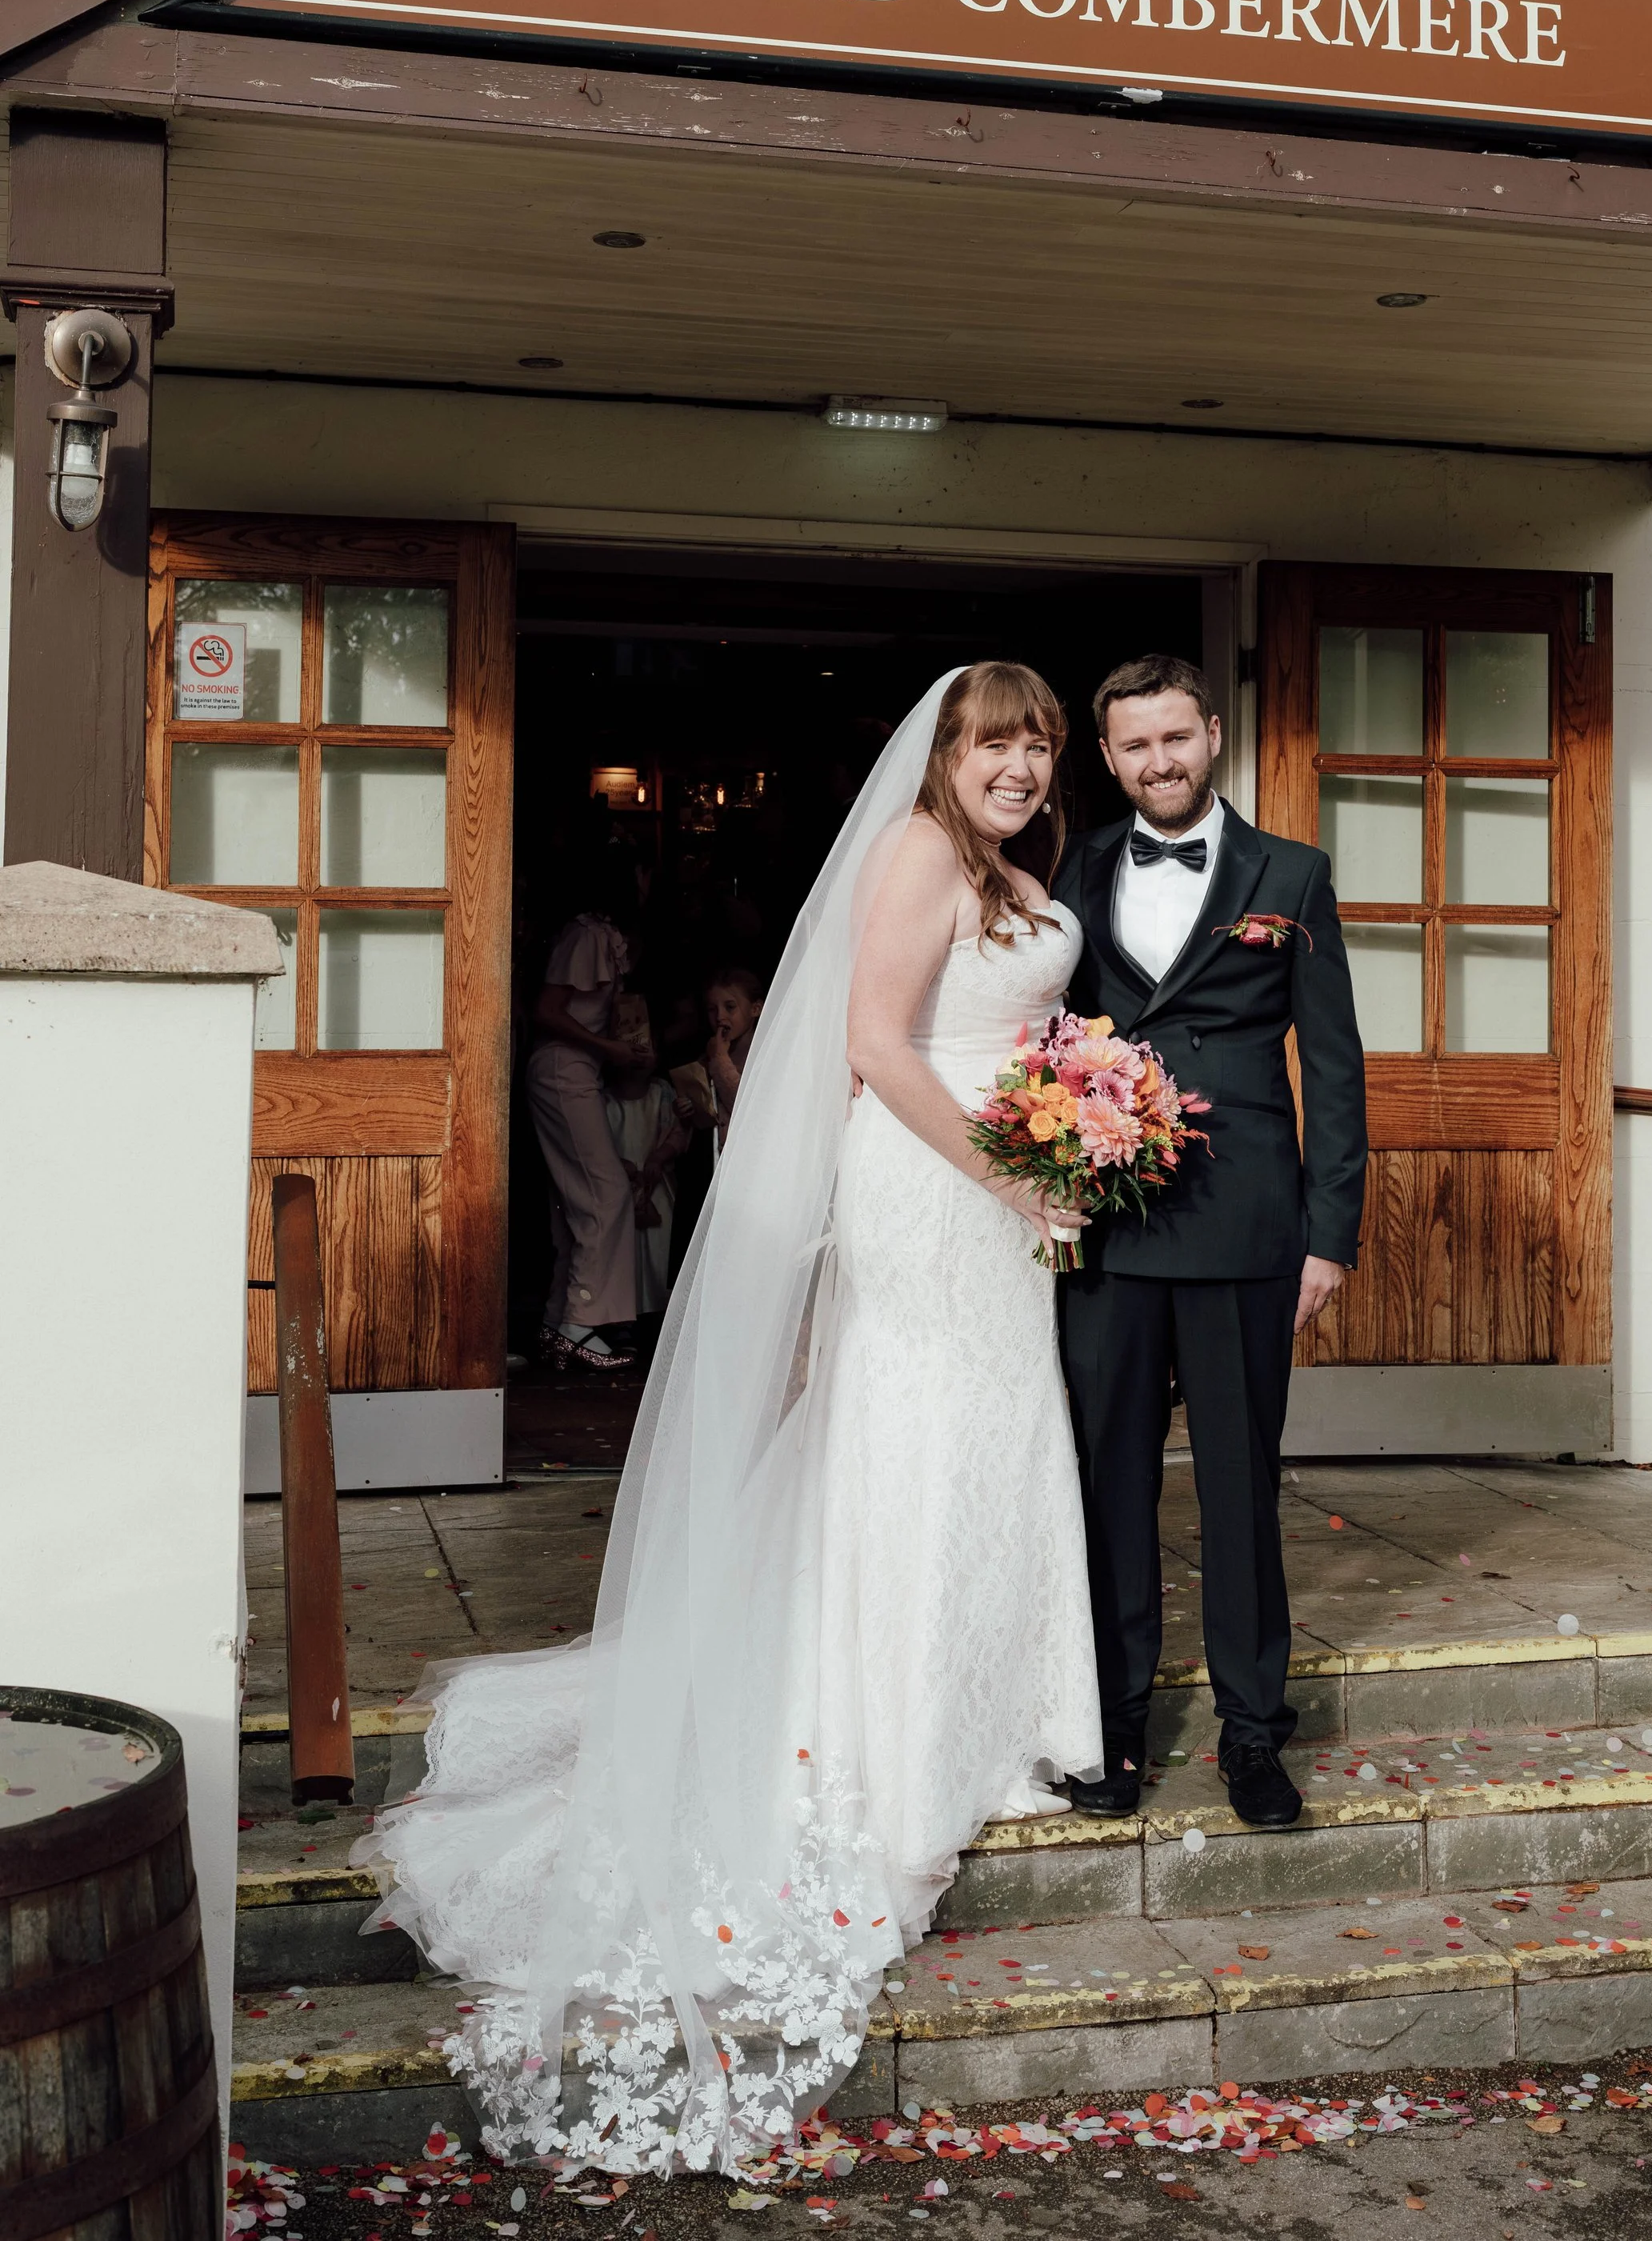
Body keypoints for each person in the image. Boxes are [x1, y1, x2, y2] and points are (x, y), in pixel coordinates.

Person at [354, 665, 1100, 2175]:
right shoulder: (909, 855)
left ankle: (1003, 1708)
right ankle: (883, 1734)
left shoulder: (1025, 874)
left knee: (997, 1444)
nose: (1018, 766)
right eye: (993, 743)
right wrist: (1010, 1167)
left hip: (1010, 1199)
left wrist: (1083, 1114)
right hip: (933, 1185)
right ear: (945, 755)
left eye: (1036, 744)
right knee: (913, 1438)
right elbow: (879, 1049)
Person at [1054, 654, 1368, 1831]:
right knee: (1108, 1486)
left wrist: (1326, 1235)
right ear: (1109, 755)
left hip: (1248, 1229)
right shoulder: (1067, 869)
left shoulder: (1291, 871)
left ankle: (1251, 1735)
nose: (1160, 762)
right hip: (1104, 1226)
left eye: (1176, 738)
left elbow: (1334, 1066)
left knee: (1241, 1491)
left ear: (1214, 733)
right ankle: (1113, 1726)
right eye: (1135, 746)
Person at [525, 846, 651, 1374]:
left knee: (578, 1200)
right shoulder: (588, 935)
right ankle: (579, 1323)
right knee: (606, 1193)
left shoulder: (602, 935)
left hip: (579, 1073)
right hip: (563, 1072)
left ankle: (559, 1323)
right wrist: (610, 1050)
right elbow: (547, 1011)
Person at [600, 994, 690, 1332]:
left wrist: (659, 1156)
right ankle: (624, 1316)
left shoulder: (662, 1093)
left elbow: (677, 1134)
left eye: (646, 1047)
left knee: (657, 1249)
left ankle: (656, 1317)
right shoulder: (605, 1101)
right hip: (621, 1189)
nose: (639, 1057)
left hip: (657, 1188)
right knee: (624, 1252)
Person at [702, 964, 764, 1147]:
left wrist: (720, 1059)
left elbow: (746, 1110)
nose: (720, 1016)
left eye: (730, 1007)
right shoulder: (710, 1056)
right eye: (712, 1009)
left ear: (755, 1009)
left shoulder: (764, 1056)